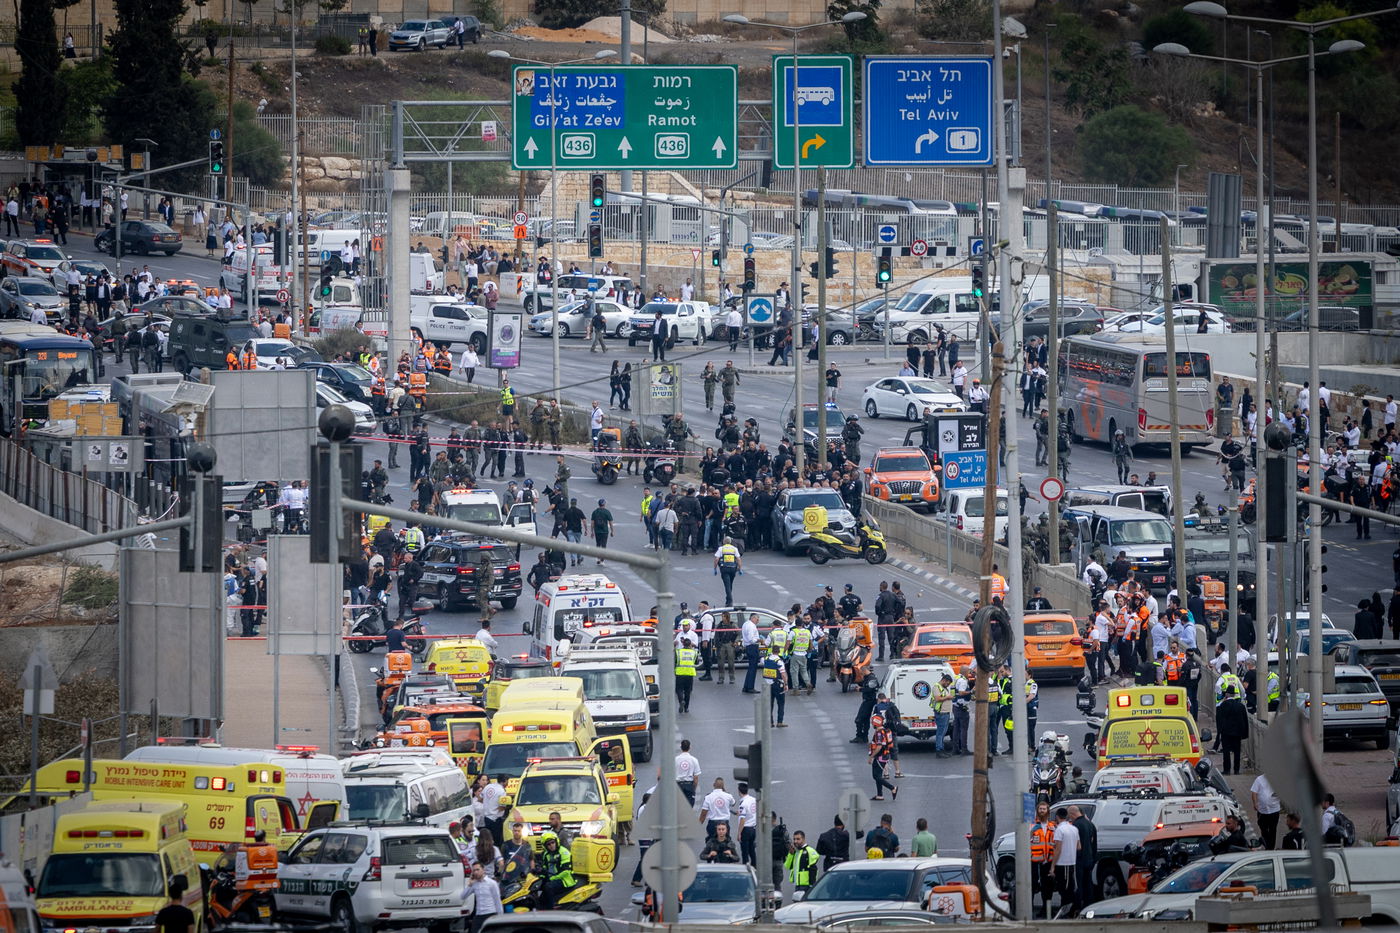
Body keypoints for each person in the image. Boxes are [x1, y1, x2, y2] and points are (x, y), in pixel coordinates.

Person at [1052, 806, 1080, 916]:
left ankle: (1067, 911)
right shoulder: (1074, 829)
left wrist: (1052, 866)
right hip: (1072, 862)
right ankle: (1070, 910)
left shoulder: (1059, 830)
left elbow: (1058, 850)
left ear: (1057, 817)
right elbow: (1078, 847)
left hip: (1062, 863)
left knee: (1064, 890)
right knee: (1070, 887)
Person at [537, 832, 577, 909]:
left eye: (553, 842)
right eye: (548, 844)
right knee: (536, 886)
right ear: (545, 846)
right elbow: (545, 868)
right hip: (553, 878)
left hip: (566, 880)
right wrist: (540, 876)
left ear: (556, 841)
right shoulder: (546, 854)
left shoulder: (564, 852)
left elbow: (566, 871)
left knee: (548, 887)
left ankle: (551, 909)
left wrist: (551, 879)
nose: (551, 845)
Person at [1069, 804, 1097, 909]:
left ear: (1072, 814)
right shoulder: (1090, 824)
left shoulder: (1076, 825)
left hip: (1079, 860)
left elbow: (1075, 845)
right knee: (1088, 884)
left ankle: (1077, 907)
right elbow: (1094, 844)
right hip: (1089, 859)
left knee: (1079, 884)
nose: (1069, 818)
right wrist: (1093, 858)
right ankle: (1088, 906)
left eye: (1069, 815)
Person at [1216, 685, 1249, 775]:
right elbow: (1245, 720)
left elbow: (1219, 719)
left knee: (1226, 751)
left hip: (1226, 732)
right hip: (1237, 732)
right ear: (1234, 695)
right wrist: (1245, 733)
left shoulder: (1223, 705)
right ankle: (1236, 770)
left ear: (1226, 695)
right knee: (1237, 751)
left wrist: (1219, 731)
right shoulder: (1240, 706)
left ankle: (1227, 770)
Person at [868, 714, 898, 801]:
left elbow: (879, 746)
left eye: (872, 722)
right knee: (878, 775)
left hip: (880, 757)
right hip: (884, 756)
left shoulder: (879, 733)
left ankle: (892, 788)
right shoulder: (884, 731)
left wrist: (872, 756)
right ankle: (879, 795)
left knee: (876, 776)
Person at [466, 863, 502, 932]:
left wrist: (500, 917)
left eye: (478, 870)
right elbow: (463, 896)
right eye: (474, 870)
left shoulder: (492, 883)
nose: (476, 872)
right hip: (479, 915)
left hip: (490, 913)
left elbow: (497, 901)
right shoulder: (474, 884)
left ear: (483, 870)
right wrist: (470, 884)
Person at [784, 830, 820, 898]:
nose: (795, 841)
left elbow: (813, 869)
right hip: (798, 885)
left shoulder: (809, 851)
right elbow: (788, 866)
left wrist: (812, 885)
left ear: (803, 839)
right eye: (794, 839)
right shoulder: (795, 852)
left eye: (798, 839)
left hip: (807, 886)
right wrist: (791, 854)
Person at [1250, 772, 1281, 849]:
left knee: (1273, 830)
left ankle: (1271, 847)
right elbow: (1254, 792)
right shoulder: (1259, 779)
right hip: (1262, 810)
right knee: (1263, 828)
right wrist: (1255, 803)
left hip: (1274, 809)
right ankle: (1266, 842)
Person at [714, 536, 742, 603]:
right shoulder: (734, 549)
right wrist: (740, 569)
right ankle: (728, 599)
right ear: (730, 542)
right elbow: (738, 559)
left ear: (724, 542)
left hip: (724, 568)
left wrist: (715, 568)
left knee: (727, 585)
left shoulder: (721, 549)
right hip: (733, 568)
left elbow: (716, 559)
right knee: (730, 584)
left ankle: (729, 601)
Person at [676, 739, 701, 806]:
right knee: (689, 808)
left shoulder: (676, 760)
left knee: (678, 807)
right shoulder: (694, 760)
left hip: (678, 786)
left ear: (681, 747)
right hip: (689, 785)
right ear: (690, 747)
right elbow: (696, 778)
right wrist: (693, 789)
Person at [675, 638, 698, 714]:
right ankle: (686, 708)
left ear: (683, 644)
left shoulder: (678, 652)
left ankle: (681, 701)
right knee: (688, 691)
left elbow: (675, 661)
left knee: (679, 690)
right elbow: (696, 662)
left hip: (680, 673)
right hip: (689, 674)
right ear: (690, 644)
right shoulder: (694, 652)